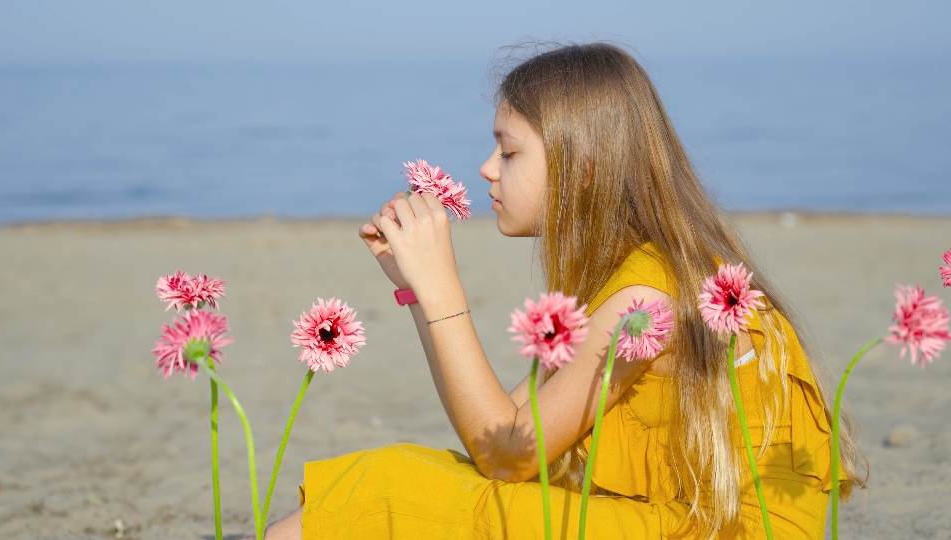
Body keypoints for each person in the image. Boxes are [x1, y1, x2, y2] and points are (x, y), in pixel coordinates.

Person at [258, 42, 865, 539]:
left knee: (388, 487)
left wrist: (443, 287)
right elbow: (512, 427)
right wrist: (416, 290)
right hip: (691, 517)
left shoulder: (647, 301)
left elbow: (509, 458)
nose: (487, 169)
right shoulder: (637, 271)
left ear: (586, 165)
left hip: (718, 529)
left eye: (509, 149)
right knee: (405, 476)